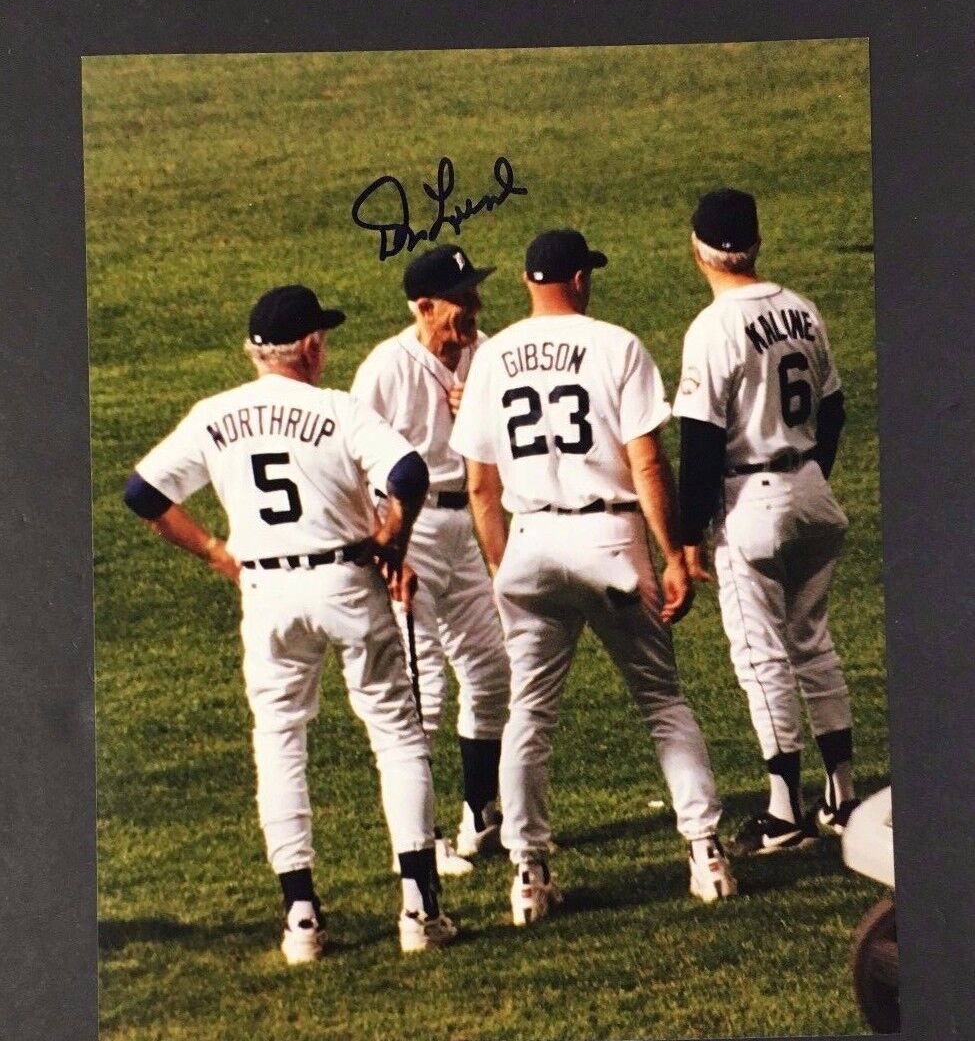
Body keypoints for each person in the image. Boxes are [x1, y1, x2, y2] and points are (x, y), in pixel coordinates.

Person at [123, 284, 458, 961]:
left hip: (267, 591)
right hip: (345, 583)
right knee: (395, 734)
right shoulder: (336, 408)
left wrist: (217, 552)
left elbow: (143, 493)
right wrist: (393, 539)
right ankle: (419, 908)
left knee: (279, 740)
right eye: (323, 339)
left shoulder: (213, 413)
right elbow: (410, 473)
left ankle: (300, 916)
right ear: (308, 346)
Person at [450, 229, 737, 925]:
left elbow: (480, 488)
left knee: (529, 714)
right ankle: (706, 855)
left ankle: (527, 874)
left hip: (528, 541)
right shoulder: (616, 344)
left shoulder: (489, 359)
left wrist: (501, 570)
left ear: (526, 281)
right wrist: (673, 552)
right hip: (608, 539)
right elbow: (645, 465)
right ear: (578, 279)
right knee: (662, 702)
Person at [675, 188, 859, 856]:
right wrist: (808, 477)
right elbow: (834, 410)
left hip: (749, 501)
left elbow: (698, 443)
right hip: (811, 488)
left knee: (761, 657)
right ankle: (842, 795)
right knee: (813, 644)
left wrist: (685, 533)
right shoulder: (801, 310)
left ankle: (784, 810)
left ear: (698, 248)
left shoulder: (713, 327)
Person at [351, 245, 511, 871]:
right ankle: (418, 841)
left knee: (491, 670)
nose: (473, 307)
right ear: (424, 307)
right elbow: (355, 464)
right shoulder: (385, 368)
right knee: (422, 690)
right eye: (460, 298)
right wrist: (388, 545)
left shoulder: (486, 352)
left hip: (468, 525)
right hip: (406, 532)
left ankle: (481, 815)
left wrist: (481, 412)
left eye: (473, 293)